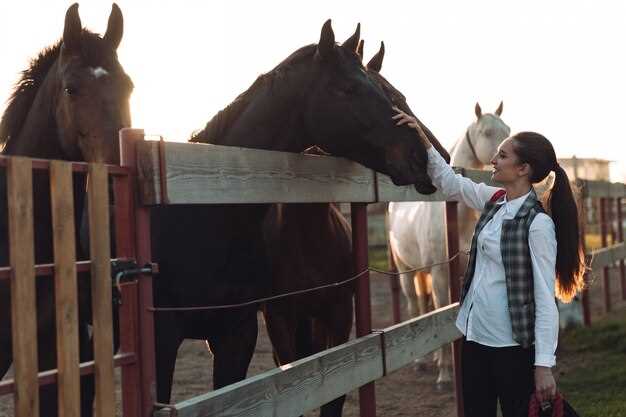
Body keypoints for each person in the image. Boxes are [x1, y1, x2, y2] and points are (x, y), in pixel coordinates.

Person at [392, 107, 585, 417]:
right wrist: (422, 135)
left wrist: (544, 365)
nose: (493, 160)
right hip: (474, 339)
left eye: (503, 155)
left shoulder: (538, 225)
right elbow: (449, 181)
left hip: (511, 347)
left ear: (523, 168)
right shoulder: (494, 200)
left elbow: (545, 301)